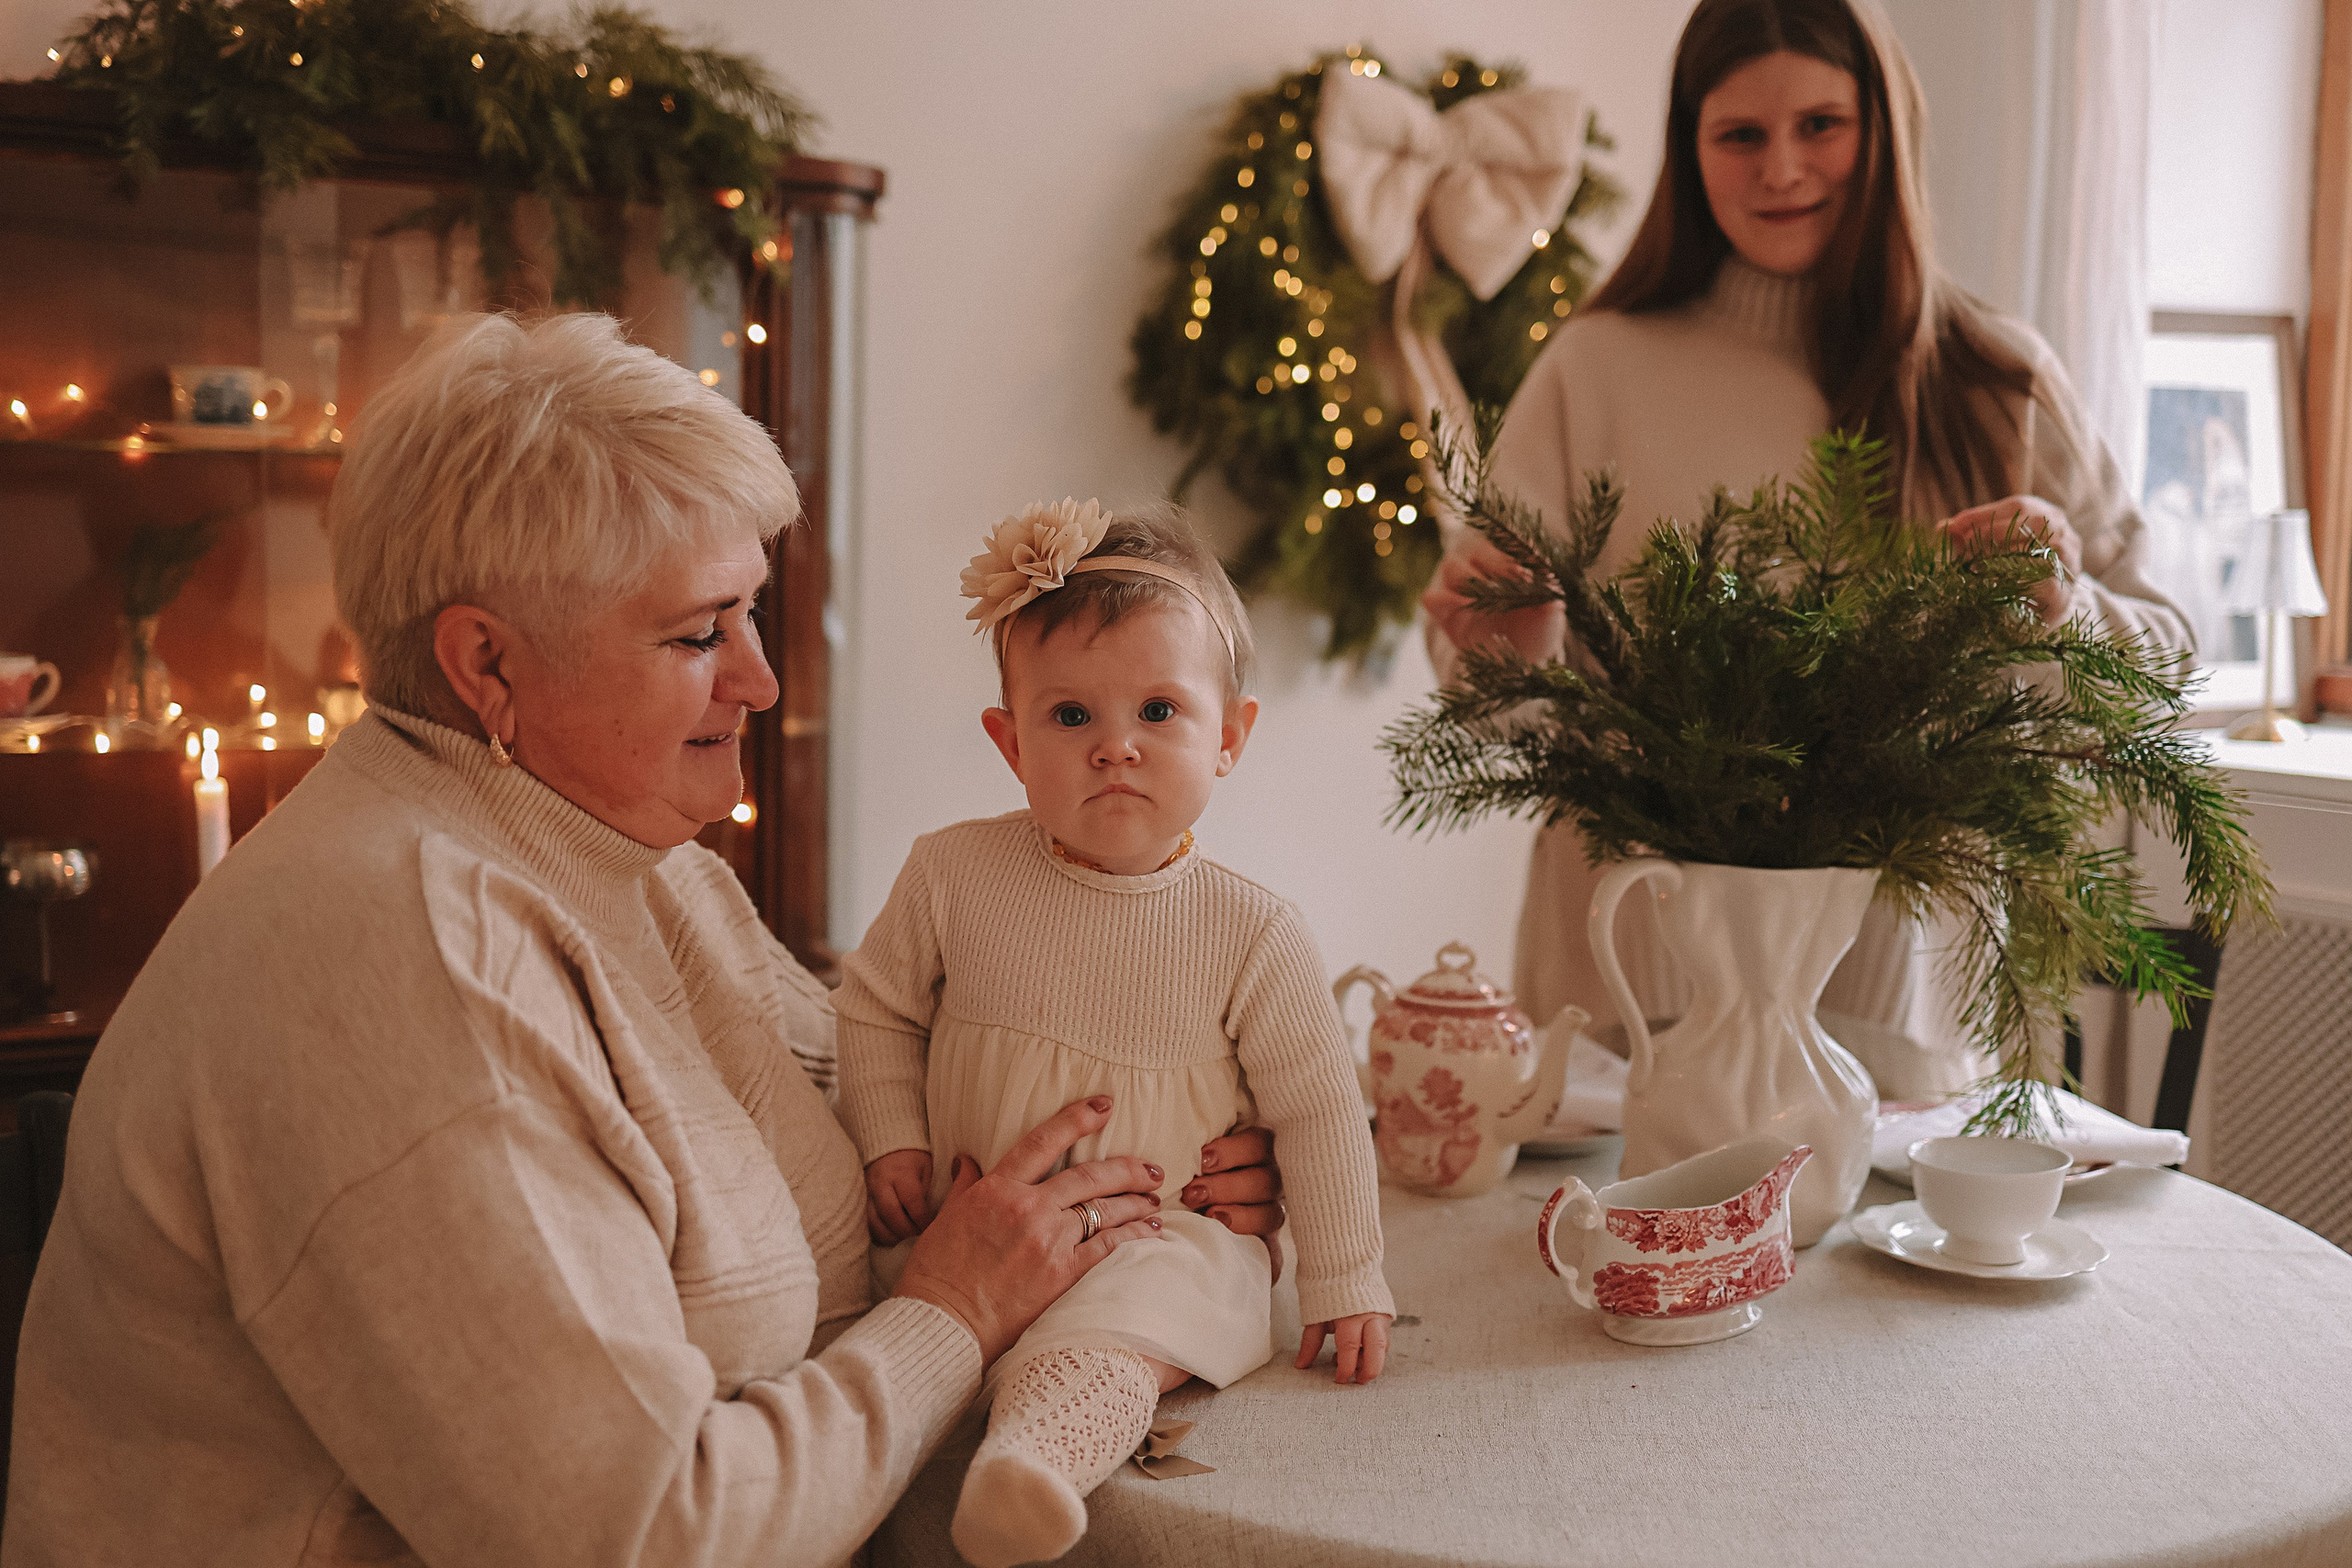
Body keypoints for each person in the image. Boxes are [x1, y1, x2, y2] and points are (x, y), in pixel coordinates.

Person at [5, 313, 1287, 1568]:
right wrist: (950, 1312)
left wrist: (1179, 1154)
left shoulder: (631, 853)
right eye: (697, 632)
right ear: (486, 665)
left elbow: (858, 1100)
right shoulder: (408, 956)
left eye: (753, 612)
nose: (761, 680)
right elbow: (645, 1533)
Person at [1419, 0, 2190, 1097]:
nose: (1781, 168)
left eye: (1820, 125)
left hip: (1901, 1025)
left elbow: (2162, 667)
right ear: (1690, 152)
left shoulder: (1994, 385)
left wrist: (2062, 608)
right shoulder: (1593, 371)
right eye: (1739, 135)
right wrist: (1506, 651)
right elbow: (1508, 725)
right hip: (1630, 1014)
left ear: (1884, 131)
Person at [836, 501, 1393, 1567]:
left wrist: (1345, 1274)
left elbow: (1318, 1113)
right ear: (1009, 742)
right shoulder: (951, 873)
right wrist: (888, 1137)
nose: (1115, 750)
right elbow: (874, 1007)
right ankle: (973, 1416)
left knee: (1126, 1332)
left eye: (1156, 710)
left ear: (1229, 736)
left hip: (1157, 1235)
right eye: (1070, 718)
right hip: (972, 1216)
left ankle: (1034, 1461)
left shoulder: (1253, 931)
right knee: (908, 1320)